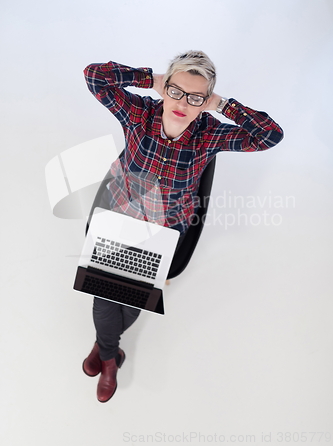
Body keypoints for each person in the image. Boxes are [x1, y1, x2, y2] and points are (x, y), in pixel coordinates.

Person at [82, 50, 284, 402]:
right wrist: (150, 80)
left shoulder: (208, 134)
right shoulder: (139, 113)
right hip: (120, 215)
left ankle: (104, 347)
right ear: (165, 86)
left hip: (165, 227)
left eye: (195, 97)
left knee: (131, 300)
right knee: (104, 297)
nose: (182, 103)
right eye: (176, 91)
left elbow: (270, 136)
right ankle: (111, 357)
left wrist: (222, 105)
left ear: (205, 101)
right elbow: (94, 75)